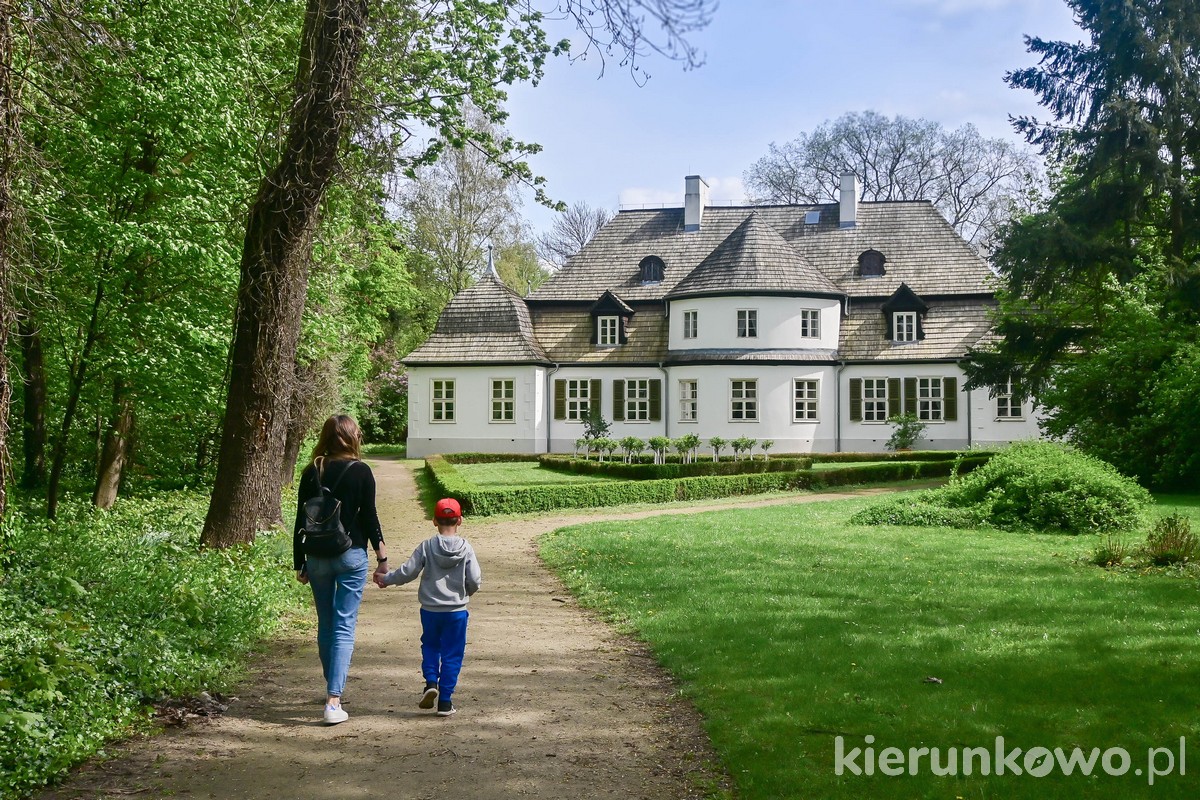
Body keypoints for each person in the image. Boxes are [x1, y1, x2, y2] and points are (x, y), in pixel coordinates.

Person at [293, 414, 388, 725]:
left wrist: (300, 562)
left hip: (317, 556)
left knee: (326, 624)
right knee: (344, 626)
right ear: (353, 437)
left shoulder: (312, 471)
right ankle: (334, 700)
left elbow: (300, 519)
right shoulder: (361, 471)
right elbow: (370, 516)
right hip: (351, 555)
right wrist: (381, 556)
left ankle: (331, 686)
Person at [374, 497, 481, 717]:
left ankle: (431, 681)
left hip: (430, 610)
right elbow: (475, 579)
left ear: (434, 521)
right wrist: (465, 592)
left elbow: (408, 572)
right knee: (453, 653)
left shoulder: (427, 546)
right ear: (459, 520)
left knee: (431, 645)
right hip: (456, 611)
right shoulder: (466, 548)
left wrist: (387, 579)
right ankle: (445, 701)